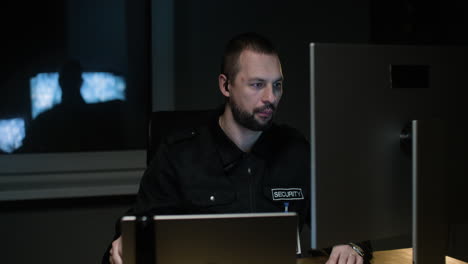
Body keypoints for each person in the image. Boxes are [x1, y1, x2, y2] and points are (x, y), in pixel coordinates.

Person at [105, 32, 372, 264]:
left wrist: (351, 243)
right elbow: (132, 234)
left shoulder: (296, 151)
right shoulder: (179, 155)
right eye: (257, 85)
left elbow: (347, 221)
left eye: (277, 85)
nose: (270, 98)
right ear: (225, 85)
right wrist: (124, 245)